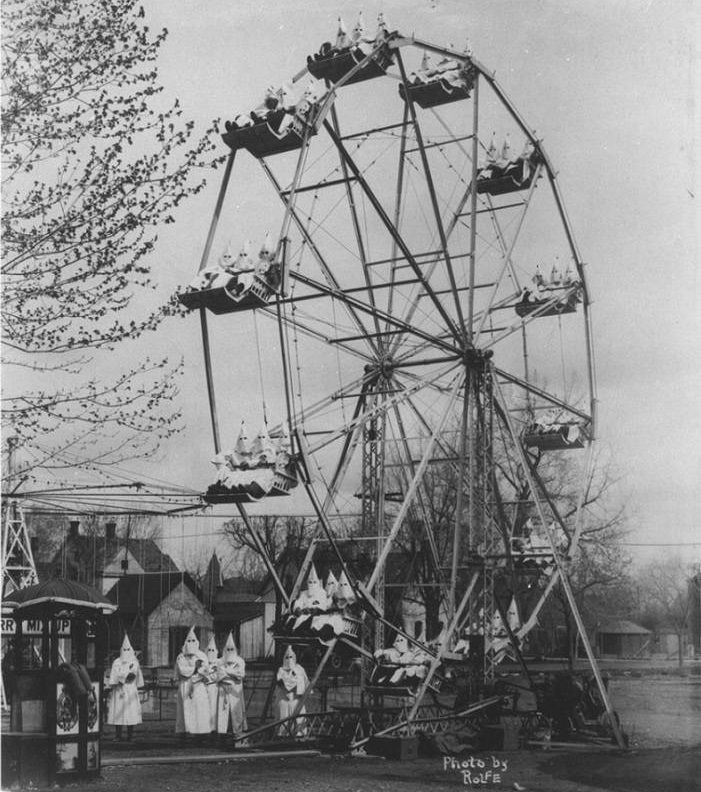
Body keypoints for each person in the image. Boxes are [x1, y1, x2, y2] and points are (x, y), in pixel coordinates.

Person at [174, 627, 211, 742]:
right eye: (189, 641)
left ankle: (200, 735)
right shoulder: (181, 656)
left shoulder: (202, 655)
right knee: (184, 709)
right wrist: (195, 668)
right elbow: (182, 670)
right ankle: (184, 734)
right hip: (185, 685)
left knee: (199, 709)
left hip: (198, 686)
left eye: (193, 641)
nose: (191, 643)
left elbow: (205, 670)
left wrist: (195, 674)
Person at [106, 634, 144, 742]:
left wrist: (122, 676)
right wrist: (123, 676)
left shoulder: (134, 662)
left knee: (130, 712)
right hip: (119, 690)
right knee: (118, 712)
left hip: (130, 689)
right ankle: (118, 735)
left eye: (128, 649)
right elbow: (115, 676)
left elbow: (132, 675)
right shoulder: (116, 662)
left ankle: (130, 736)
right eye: (124, 649)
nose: (126, 651)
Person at [216, 633, 247, 743]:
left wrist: (227, 672)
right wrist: (233, 674)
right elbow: (219, 676)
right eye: (228, 649)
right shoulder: (219, 661)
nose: (229, 651)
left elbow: (241, 675)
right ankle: (222, 734)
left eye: (231, 649)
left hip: (236, 689)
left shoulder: (240, 661)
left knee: (236, 710)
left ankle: (237, 733)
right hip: (223, 689)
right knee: (222, 711)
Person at [275, 645, 309, 736]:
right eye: (287, 657)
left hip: (296, 699)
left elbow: (305, 683)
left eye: (291, 657)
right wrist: (292, 680)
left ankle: (299, 734)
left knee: (299, 719)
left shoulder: (299, 669)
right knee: (283, 719)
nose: (289, 659)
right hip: (284, 699)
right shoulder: (281, 670)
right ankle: (282, 735)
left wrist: (296, 679)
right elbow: (281, 683)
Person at [204, 636, 220, 736]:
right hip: (204, 688)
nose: (210, 652)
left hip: (214, 688)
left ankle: (213, 729)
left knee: (213, 708)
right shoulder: (204, 663)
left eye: (212, 650)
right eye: (209, 650)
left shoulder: (218, 663)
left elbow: (217, 676)